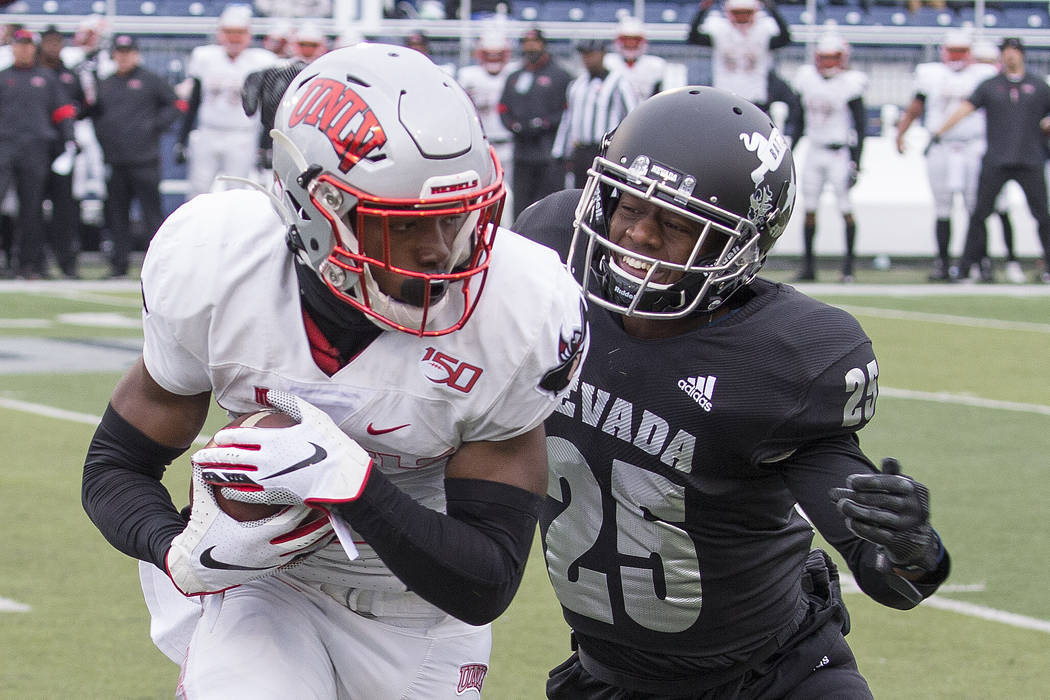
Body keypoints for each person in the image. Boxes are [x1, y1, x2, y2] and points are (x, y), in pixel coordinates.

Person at [81, 43, 588, 698]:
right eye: (404, 226)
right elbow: (116, 464)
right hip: (270, 590)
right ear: (316, 213)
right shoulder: (219, 262)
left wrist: (351, 483)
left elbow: (487, 576)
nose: (440, 251)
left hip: (421, 612)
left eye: (456, 217)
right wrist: (175, 548)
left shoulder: (518, 310)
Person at [513, 85, 951, 700]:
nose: (638, 235)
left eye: (677, 223)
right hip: (608, 678)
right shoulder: (550, 262)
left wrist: (912, 546)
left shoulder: (780, 358)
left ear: (738, 247)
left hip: (777, 676)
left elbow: (893, 580)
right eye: (629, 206)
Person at [931, 36, 1050, 284]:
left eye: (1014, 51)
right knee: (979, 215)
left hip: (1030, 158)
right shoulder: (990, 86)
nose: (1010, 56)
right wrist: (940, 131)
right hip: (997, 159)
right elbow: (965, 108)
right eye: (1006, 51)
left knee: (1041, 215)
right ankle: (965, 268)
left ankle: (1047, 266)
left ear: (1022, 54)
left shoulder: (1038, 86)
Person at [896, 31, 1001, 282]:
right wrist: (900, 132)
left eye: (961, 51)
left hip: (973, 146)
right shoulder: (931, 75)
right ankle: (942, 263)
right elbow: (916, 105)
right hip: (941, 146)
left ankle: (980, 262)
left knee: (976, 208)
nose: (956, 57)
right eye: (952, 51)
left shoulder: (983, 75)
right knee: (942, 207)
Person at [88, 34, 181, 279]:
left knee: (152, 215)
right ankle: (119, 265)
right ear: (114, 55)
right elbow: (95, 113)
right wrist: (105, 135)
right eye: (120, 52)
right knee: (117, 215)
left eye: (128, 52)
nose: (124, 56)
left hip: (145, 159)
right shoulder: (106, 84)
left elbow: (176, 105)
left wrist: (154, 126)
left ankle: (158, 266)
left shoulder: (150, 80)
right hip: (116, 160)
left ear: (136, 54)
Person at [175, 4, 277, 198]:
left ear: (249, 34)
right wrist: (182, 138)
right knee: (198, 188)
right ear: (220, 33)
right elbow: (194, 101)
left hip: (242, 135)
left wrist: (266, 144)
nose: (234, 37)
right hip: (208, 131)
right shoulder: (204, 57)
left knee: (237, 190)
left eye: (239, 32)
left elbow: (268, 107)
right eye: (229, 32)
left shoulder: (262, 61)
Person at [0, 29, 76, 279]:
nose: (23, 49)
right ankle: (6, 260)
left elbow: (63, 111)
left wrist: (68, 140)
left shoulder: (46, 78)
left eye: (28, 45)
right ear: (12, 48)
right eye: (19, 45)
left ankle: (28, 264)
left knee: (32, 209)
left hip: (36, 149)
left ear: (34, 48)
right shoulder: (3, 78)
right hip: (5, 147)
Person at [791, 33, 867, 282]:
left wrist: (857, 160)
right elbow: (799, 121)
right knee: (809, 208)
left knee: (845, 208)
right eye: (824, 57)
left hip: (839, 152)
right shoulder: (807, 80)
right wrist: (789, 151)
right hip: (815, 150)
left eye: (833, 57)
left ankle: (848, 268)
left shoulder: (850, 83)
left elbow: (861, 125)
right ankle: (809, 266)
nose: (828, 62)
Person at [499, 27, 572, 220]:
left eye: (535, 42)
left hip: (549, 155)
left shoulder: (560, 76)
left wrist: (543, 124)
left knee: (550, 209)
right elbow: (503, 108)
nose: (530, 47)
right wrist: (515, 126)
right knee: (521, 209)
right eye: (526, 43)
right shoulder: (514, 76)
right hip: (522, 154)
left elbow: (567, 111)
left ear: (543, 44)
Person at [552, 39, 639, 190]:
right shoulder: (577, 84)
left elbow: (634, 117)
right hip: (580, 150)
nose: (588, 59)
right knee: (579, 194)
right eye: (585, 55)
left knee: (603, 194)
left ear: (603, 54)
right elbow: (568, 119)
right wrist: (559, 151)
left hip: (605, 151)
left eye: (592, 54)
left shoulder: (619, 83)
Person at [686, 0, 792, 111]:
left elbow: (785, 38)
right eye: (737, 13)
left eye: (747, 13)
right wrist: (704, 9)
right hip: (725, 97)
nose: (742, 17)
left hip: (755, 98)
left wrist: (771, 8)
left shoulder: (763, 31)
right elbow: (693, 37)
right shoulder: (720, 31)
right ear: (728, 12)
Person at [38, 25, 84, 279]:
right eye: (49, 42)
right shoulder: (31, 72)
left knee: (65, 207)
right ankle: (34, 262)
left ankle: (67, 262)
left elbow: (85, 105)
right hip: (33, 147)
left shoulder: (70, 75)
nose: (53, 47)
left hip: (62, 146)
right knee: (30, 207)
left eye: (57, 42)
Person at [457, 29, 516, 222]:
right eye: (489, 54)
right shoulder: (468, 75)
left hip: (509, 141)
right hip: (481, 143)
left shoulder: (514, 74)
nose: (493, 58)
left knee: (509, 195)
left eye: (498, 54)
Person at [604, 16, 668, 101]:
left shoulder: (656, 64)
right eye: (626, 40)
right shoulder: (607, 62)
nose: (630, 44)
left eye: (635, 40)